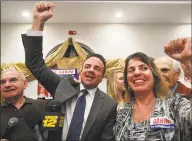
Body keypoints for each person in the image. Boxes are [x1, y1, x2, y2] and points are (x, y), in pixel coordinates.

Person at [22, 2, 117, 141]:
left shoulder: (109, 104)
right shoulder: (63, 85)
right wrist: (38, 21)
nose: (91, 70)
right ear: (81, 70)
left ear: (102, 77)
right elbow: (34, 63)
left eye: (97, 69)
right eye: (88, 66)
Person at [114, 52, 191, 141]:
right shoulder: (122, 111)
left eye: (144, 68)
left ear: (154, 76)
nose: (137, 73)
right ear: (127, 81)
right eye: (130, 70)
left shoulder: (175, 105)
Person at [0, 69, 46, 141]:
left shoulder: (43, 106)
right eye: (2, 82)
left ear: (25, 84)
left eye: (13, 80)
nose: (7, 85)